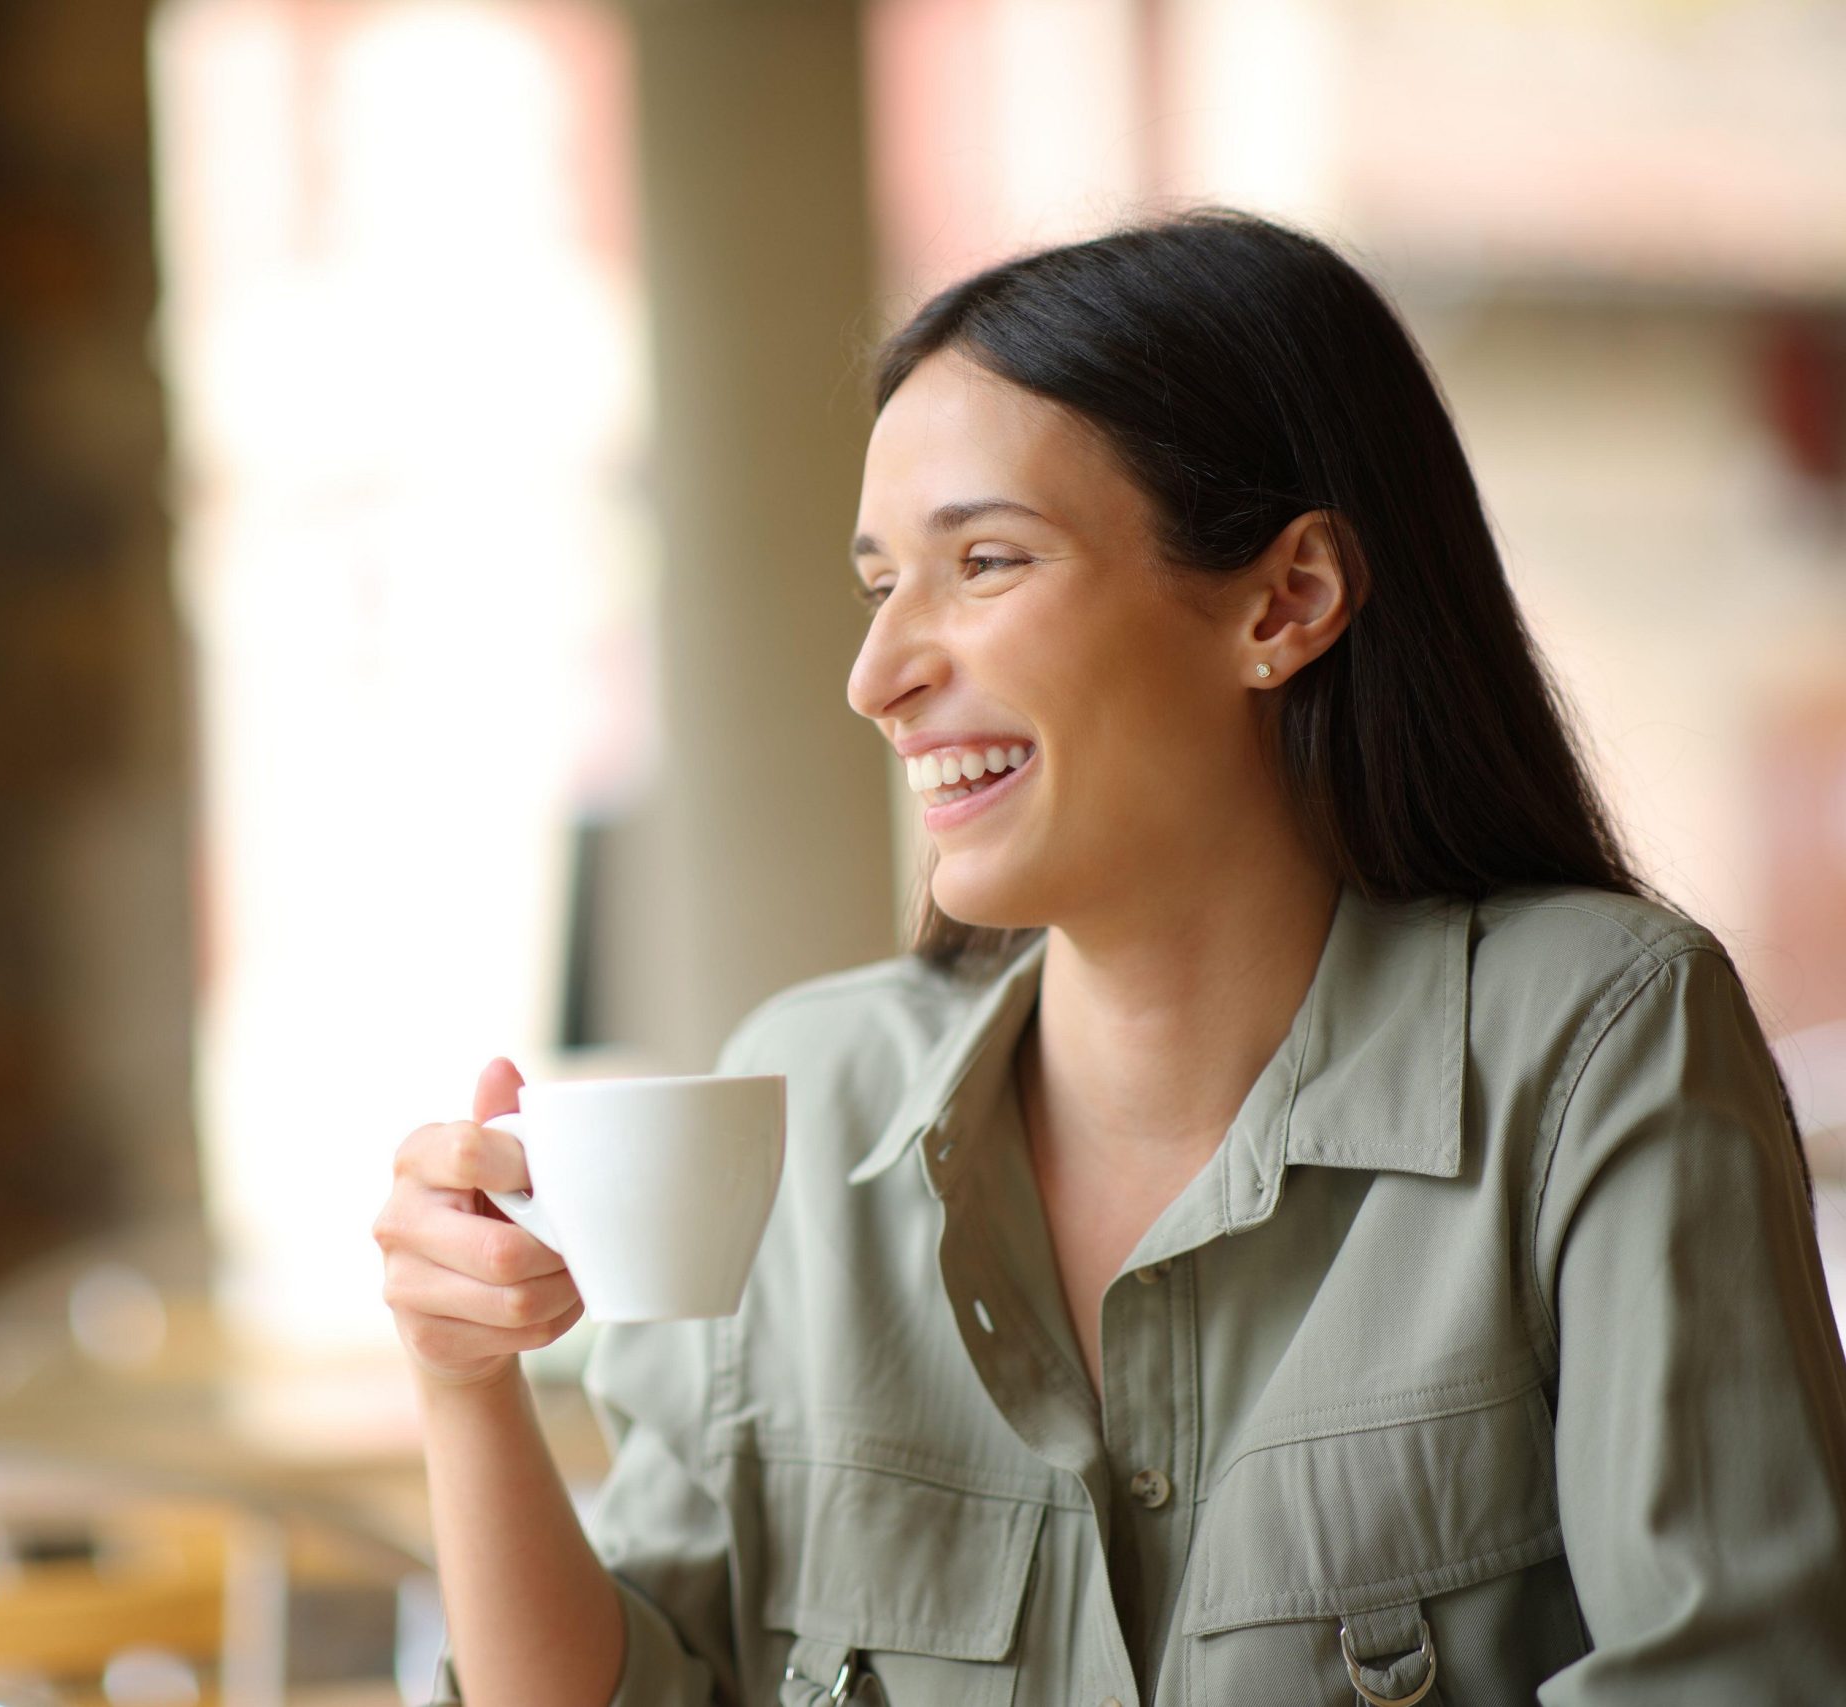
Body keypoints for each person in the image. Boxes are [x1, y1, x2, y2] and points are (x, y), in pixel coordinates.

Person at [370, 207, 1846, 1706]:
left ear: (1287, 601)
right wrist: (463, 1384)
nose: (879, 676)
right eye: (884, 583)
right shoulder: (799, 1094)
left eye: (986, 562)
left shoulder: (1595, 1045)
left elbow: (1734, 1679)